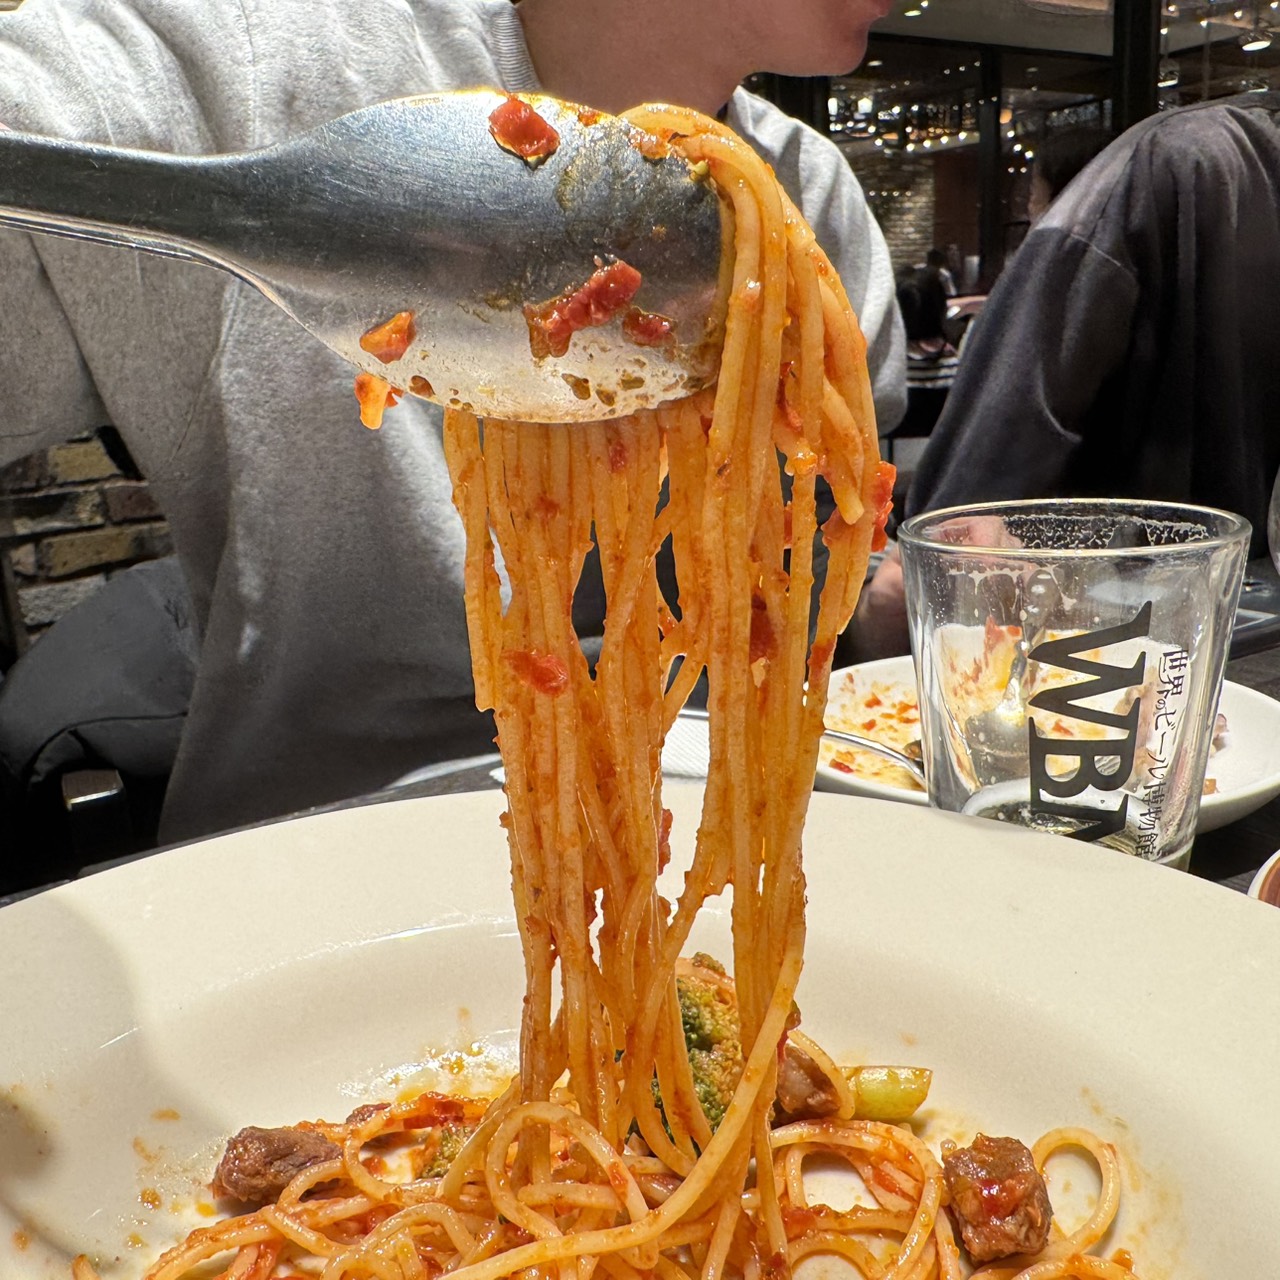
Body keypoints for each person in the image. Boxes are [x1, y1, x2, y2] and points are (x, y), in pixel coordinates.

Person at [0, 0, 906, 845]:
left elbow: (810, 596)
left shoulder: (811, 205)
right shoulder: (236, 76)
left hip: (735, 831)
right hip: (312, 869)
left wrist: (886, 610)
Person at [907, 93, 1280, 558]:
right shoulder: (1201, 160)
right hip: (1213, 576)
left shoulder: (1168, 159)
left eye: (1033, 200)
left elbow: (963, 507)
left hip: (1118, 584)